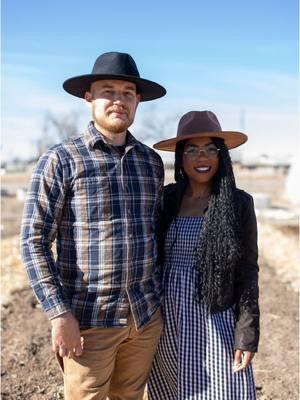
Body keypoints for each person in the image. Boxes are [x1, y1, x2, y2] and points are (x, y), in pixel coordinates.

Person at [20, 51, 166, 400]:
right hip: (90, 320)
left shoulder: (151, 162)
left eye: (127, 93)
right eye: (108, 91)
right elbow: (33, 241)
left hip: (145, 316)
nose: (119, 100)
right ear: (89, 97)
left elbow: (157, 233)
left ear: (137, 100)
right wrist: (59, 313)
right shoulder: (62, 160)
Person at [147, 111, 259, 399]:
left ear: (221, 157)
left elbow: (247, 272)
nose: (202, 158)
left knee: (223, 389)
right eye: (193, 150)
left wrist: (246, 336)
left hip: (214, 315)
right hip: (166, 318)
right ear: (181, 158)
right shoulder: (166, 199)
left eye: (211, 149)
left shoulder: (238, 203)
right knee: (172, 389)